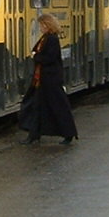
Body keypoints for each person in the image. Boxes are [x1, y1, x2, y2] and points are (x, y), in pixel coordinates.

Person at [18, 12, 78, 145]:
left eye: (41, 25)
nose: (40, 27)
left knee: (58, 107)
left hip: (50, 80)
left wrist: (36, 56)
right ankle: (34, 135)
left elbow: (50, 58)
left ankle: (68, 133)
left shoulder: (51, 39)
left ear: (47, 25)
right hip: (42, 80)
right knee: (37, 107)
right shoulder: (46, 38)